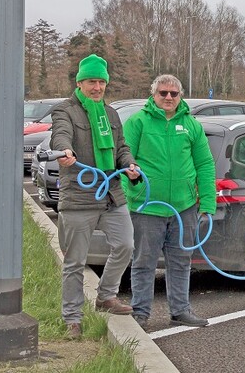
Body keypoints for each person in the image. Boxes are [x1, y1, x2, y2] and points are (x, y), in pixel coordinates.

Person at [50, 54, 140, 339]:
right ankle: (72, 319)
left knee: (125, 244)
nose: (97, 87)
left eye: (101, 82)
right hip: (79, 195)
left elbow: (121, 147)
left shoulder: (111, 114)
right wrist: (64, 151)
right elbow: (60, 135)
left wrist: (129, 165)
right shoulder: (65, 110)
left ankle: (106, 296)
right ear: (79, 82)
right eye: (92, 81)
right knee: (75, 261)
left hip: (111, 194)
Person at [123, 75, 215, 329]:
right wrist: (131, 191)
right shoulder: (138, 122)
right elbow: (122, 161)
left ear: (180, 96)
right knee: (144, 261)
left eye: (174, 94)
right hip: (148, 207)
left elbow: (205, 164)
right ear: (153, 94)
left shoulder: (191, 125)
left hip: (183, 208)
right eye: (163, 93)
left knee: (181, 261)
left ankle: (180, 310)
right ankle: (140, 311)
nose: (168, 98)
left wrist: (207, 203)